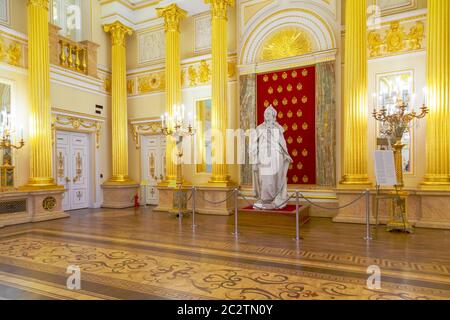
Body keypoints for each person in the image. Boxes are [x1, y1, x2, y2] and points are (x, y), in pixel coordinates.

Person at [250, 106, 293, 209]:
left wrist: (286, 154)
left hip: (276, 158)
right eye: (265, 113)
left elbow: (283, 143)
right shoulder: (259, 128)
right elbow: (253, 146)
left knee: (276, 179)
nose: (266, 115)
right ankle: (265, 200)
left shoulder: (278, 128)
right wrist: (254, 161)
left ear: (274, 115)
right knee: (265, 179)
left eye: (269, 113)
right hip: (263, 157)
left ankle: (276, 199)